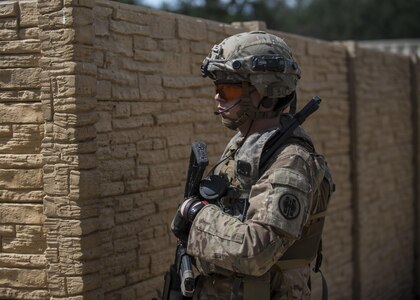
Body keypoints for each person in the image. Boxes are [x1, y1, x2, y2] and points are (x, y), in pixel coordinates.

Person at [171, 31, 334, 300]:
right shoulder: (244, 147)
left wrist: (197, 215)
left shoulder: (290, 161)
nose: (217, 97)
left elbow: (256, 252)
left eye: (228, 89)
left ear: (266, 93)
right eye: (217, 88)